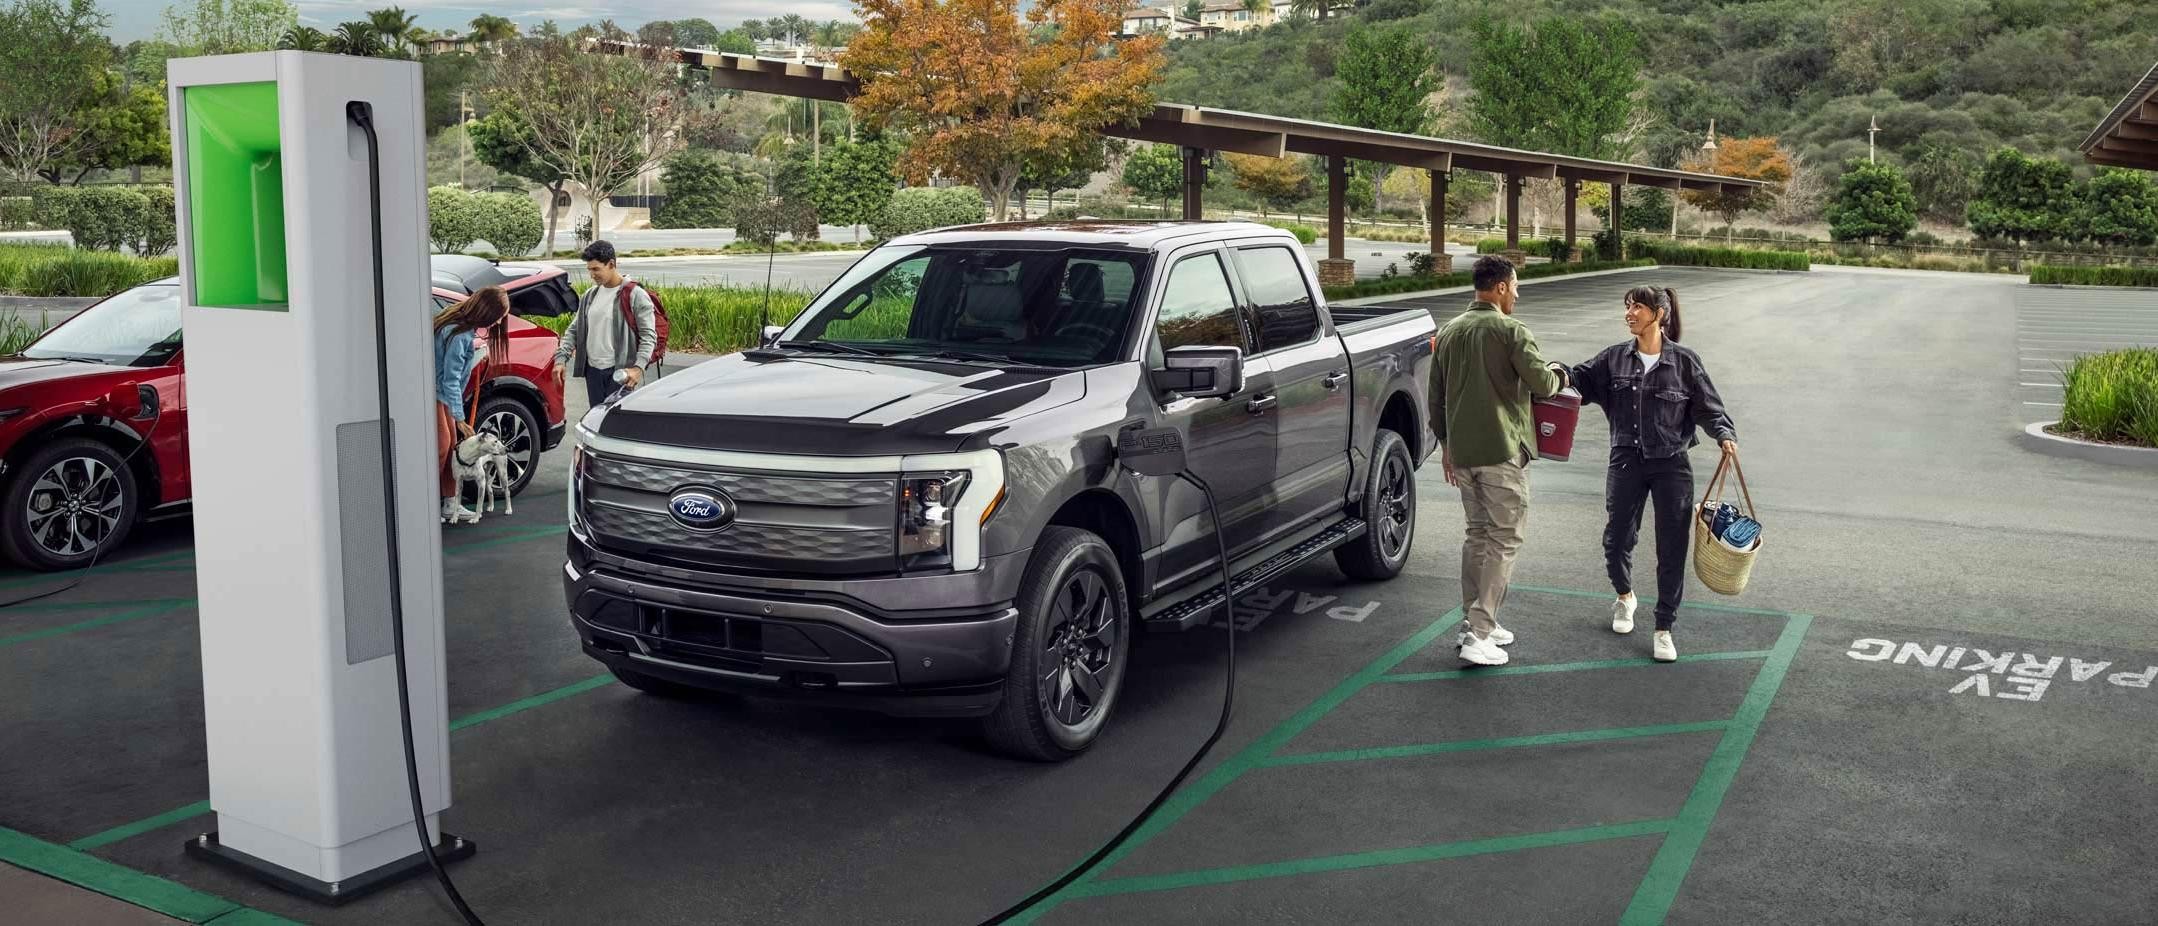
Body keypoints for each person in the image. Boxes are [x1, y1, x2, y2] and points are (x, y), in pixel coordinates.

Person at [1568, 285, 1737, 663]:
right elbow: (1578, 378)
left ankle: (1664, 626)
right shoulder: (1613, 359)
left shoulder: (1684, 362)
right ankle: (1625, 597)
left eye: (1638, 307)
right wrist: (1555, 372)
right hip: (1626, 460)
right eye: (1627, 307)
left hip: (1672, 465)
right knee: (1616, 539)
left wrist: (1724, 435)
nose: (1629, 313)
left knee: (1671, 547)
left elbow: (1709, 408)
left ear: (1659, 314)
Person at [1433, 256, 1567, 667]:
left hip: (1464, 454)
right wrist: (1561, 374)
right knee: (1505, 538)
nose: (1518, 293)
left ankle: (1473, 622)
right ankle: (1480, 631)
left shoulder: (1449, 332)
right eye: (1516, 285)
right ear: (1502, 287)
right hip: (1501, 452)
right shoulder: (1511, 331)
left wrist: (1446, 446)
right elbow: (1543, 382)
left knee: (1477, 534)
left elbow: (1435, 398)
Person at [434, 286, 511, 523]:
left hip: (442, 395)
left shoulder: (456, 321)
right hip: (437, 395)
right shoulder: (459, 334)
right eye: (499, 316)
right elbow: (451, 378)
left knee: (451, 447)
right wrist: (460, 418)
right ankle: (424, 502)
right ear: (487, 313)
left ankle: (449, 502)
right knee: (443, 447)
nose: (499, 321)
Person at [552, 239, 659, 409]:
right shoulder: (590, 295)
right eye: (589, 270)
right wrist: (560, 360)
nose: (592, 275)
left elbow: (649, 336)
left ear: (611, 264)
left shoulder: (635, 295)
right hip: (593, 372)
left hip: (620, 372)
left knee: (616, 425)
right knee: (596, 420)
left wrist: (638, 368)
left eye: (596, 269)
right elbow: (574, 330)